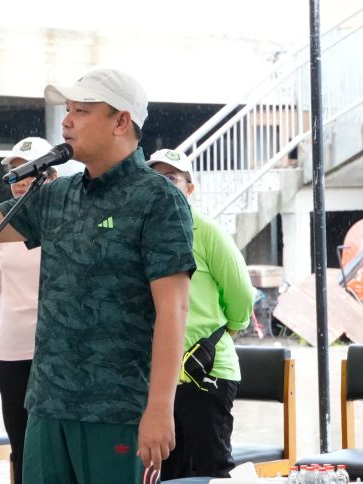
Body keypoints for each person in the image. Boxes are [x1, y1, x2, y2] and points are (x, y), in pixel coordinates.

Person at [0, 67, 196, 483]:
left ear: (121, 121)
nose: (67, 122)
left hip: (116, 408)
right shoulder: (56, 194)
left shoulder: (158, 200)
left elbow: (173, 310)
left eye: (82, 111)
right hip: (49, 403)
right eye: (68, 110)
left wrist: (160, 407)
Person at [146, 149, 256, 479]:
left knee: (210, 469)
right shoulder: (145, 234)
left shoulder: (207, 233)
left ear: (190, 188)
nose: (162, 186)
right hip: (160, 379)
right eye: (155, 179)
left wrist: (223, 334)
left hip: (207, 372)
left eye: (171, 179)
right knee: (166, 471)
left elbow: (241, 296)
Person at [0, 136, 58, 484]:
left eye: (29, 172)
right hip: (13, 346)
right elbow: (0, 287)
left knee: (56, 444)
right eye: (15, 173)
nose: (20, 181)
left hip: (58, 348)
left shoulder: (67, 222)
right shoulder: (0, 226)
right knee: (21, 440)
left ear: (53, 175)